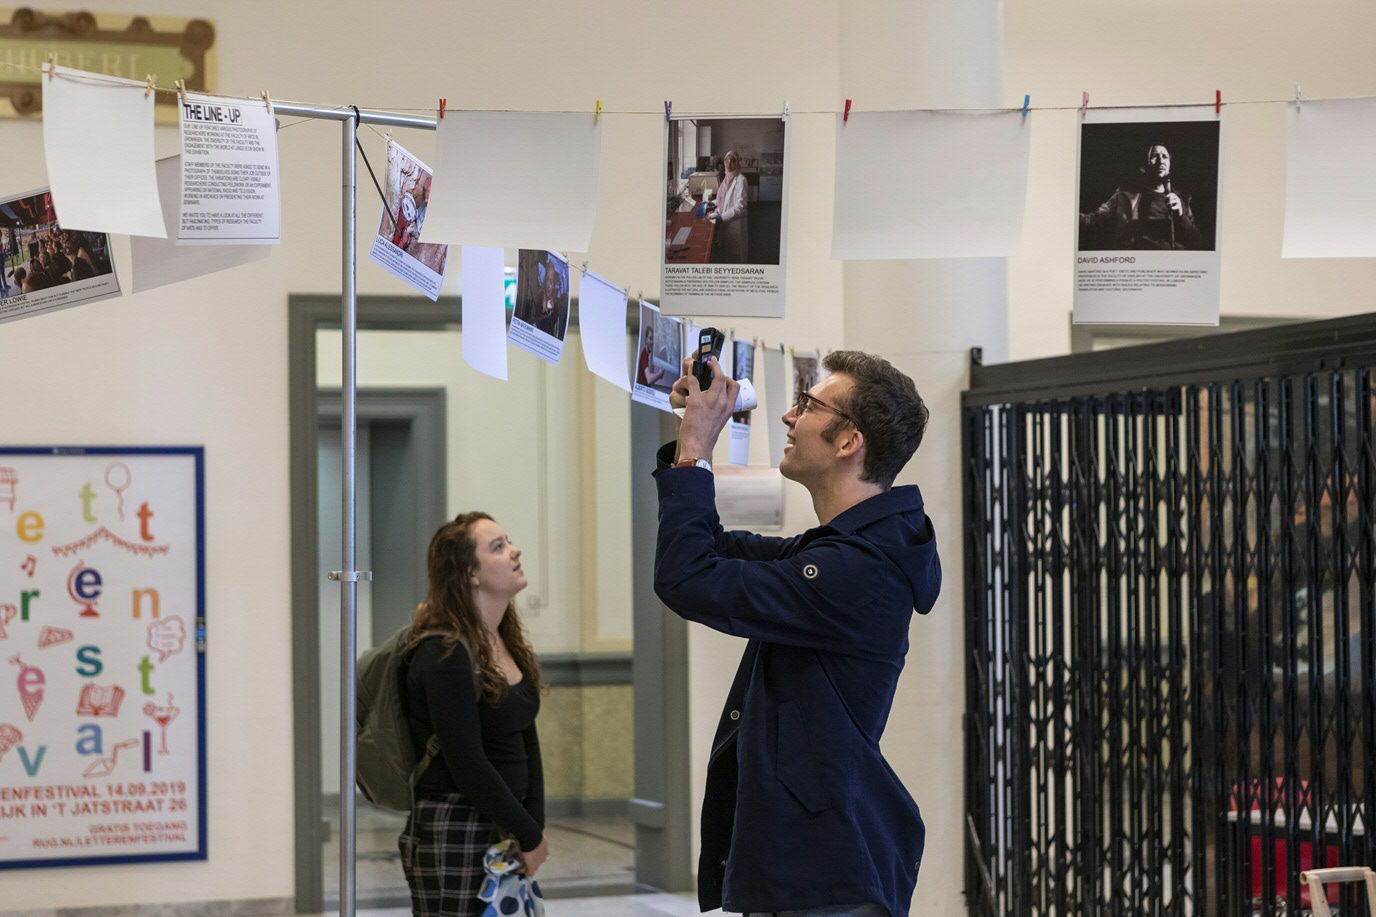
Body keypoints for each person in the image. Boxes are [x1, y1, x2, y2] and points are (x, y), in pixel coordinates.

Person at [655, 350, 941, 917]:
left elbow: (688, 579)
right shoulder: (841, 553)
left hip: (826, 873)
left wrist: (696, 454)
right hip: (816, 863)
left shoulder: (856, 572)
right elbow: (709, 552)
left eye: (808, 404)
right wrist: (692, 444)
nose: (789, 417)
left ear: (847, 442)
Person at [400, 512, 549, 917]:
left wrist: (531, 824)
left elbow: (524, 731)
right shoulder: (444, 652)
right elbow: (466, 762)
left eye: (508, 541)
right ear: (470, 574)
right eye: (498, 547)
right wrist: (528, 833)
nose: (514, 551)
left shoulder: (504, 640)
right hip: (456, 829)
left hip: (503, 824)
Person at [1079, 142, 1203, 250]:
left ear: (1169, 165)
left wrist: (1181, 217)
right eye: (1155, 156)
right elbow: (1093, 220)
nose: (1161, 160)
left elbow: (1196, 241)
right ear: (1143, 166)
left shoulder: (1182, 198)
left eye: (1165, 157)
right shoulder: (1125, 195)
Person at [708, 150, 750, 263]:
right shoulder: (726, 178)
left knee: (735, 256)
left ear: (737, 163)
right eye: (727, 160)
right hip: (725, 222)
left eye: (733, 160)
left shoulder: (741, 180)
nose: (730, 162)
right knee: (726, 252)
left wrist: (722, 217)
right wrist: (713, 203)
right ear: (724, 162)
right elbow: (723, 198)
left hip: (735, 224)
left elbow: (740, 207)